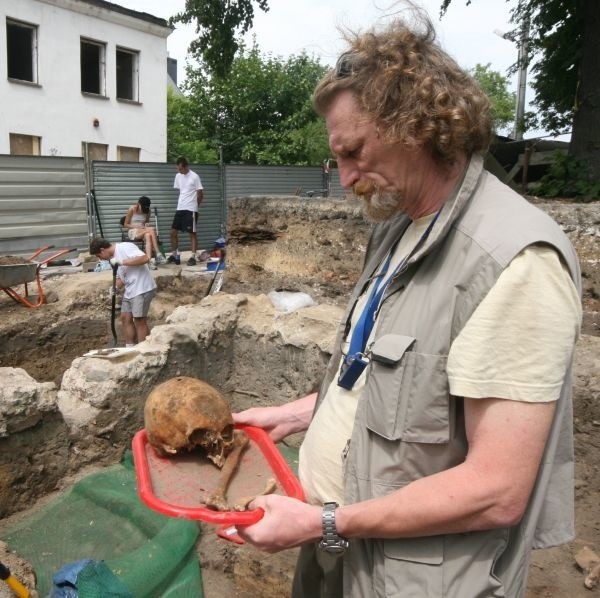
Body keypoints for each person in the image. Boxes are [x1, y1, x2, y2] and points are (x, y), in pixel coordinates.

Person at [232, 13, 582, 598]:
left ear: (415, 123)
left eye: (352, 151)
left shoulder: (514, 260)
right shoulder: (400, 228)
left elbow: (497, 488)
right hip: (343, 554)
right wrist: (292, 416)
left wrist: (325, 521)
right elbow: (400, 387)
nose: (344, 179)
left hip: (410, 580)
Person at [90, 237, 157, 346]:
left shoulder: (125, 247)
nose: (101, 259)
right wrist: (115, 287)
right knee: (125, 318)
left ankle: (143, 350)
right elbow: (121, 278)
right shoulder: (112, 260)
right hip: (130, 290)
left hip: (142, 287)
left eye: (99, 256)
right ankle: (130, 347)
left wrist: (122, 261)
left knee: (139, 320)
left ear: (102, 250)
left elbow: (145, 258)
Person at [168, 156, 204, 266]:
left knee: (192, 233)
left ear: (186, 166)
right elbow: (182, 191)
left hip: (191, 209)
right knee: (173, 232)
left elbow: (200, 194)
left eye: (181, 169)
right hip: (180, 207)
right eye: (178, 169)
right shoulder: (178, 176)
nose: (180, 171)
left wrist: (195, 206)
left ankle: (193, 256)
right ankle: (174, 254)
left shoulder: (194, 176)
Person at [122, 195, 166, 270]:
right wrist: (137, 226)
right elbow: (125, 224)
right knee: (151, 230)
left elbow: (146, 222)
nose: (144, 210)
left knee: (148, 235)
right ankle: (158, 253)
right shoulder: (132, 209)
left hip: (143, 230)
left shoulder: (148, 211)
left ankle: (149, 261)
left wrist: (146, 224)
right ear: (139, 204)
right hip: (133, 231)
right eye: (143, 208)